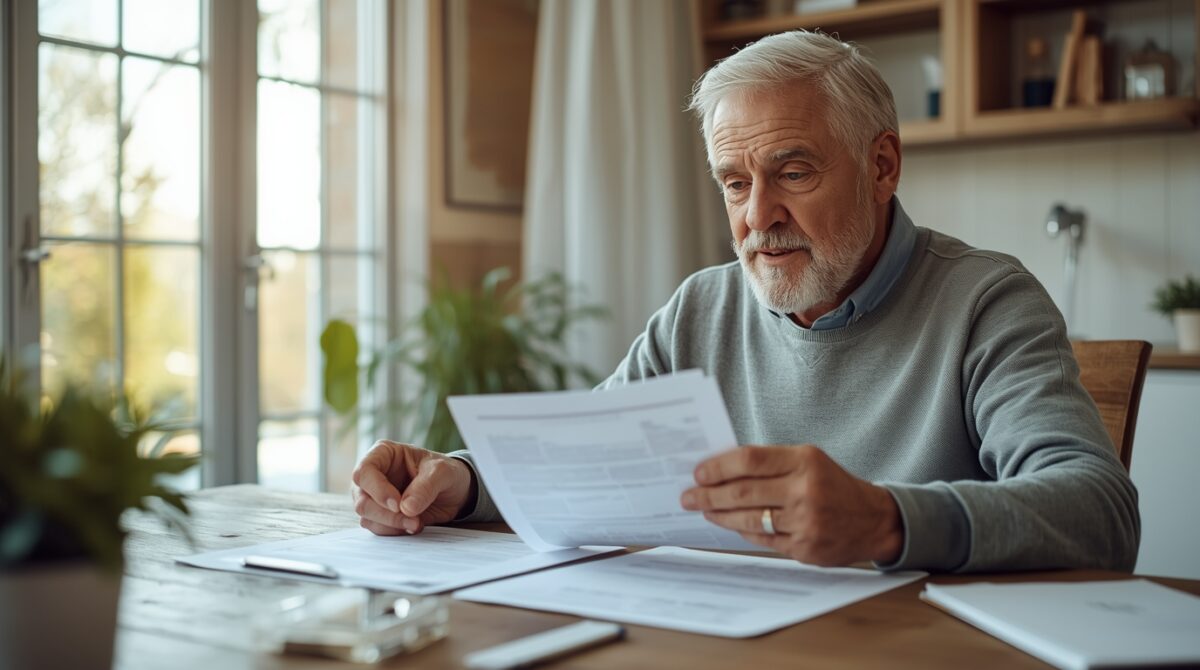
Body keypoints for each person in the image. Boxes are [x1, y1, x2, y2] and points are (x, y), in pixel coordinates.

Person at [350, 30, 1139, 573]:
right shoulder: (701, 307)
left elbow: (1100, 513)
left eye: (793, 172)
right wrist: (456, 481)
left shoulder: (986, 301)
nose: (757, 215)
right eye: (735, 183)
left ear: (883, 165)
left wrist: (887, 519)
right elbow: (584, 463)